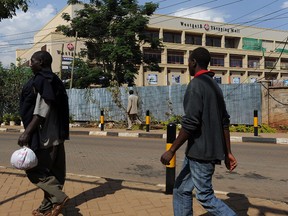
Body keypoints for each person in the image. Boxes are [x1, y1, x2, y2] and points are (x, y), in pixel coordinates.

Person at [160, 47, 238, 216]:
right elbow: (225, 121)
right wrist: (228, 152)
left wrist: (171, 150)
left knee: (205, 196)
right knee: (181, 189)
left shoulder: (196, 84)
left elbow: (191, 123)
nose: (188, 64)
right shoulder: (214, 85)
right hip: (196, 152)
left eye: (188, 60)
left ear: (194, 62)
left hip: (201, 154)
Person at [18, 51, 70, 216]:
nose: (30, 64)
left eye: (32, 61)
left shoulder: (42, 80)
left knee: (34, 170)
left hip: (45, 136)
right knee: (56, 174)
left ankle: (59, 198)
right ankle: (46, 208)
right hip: (58, 135)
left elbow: (41, 110)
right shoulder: (55, 80)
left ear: (40, 62)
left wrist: (27, 132)